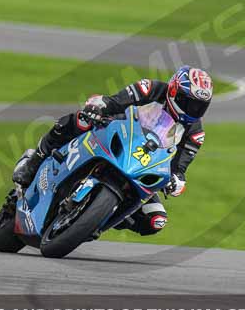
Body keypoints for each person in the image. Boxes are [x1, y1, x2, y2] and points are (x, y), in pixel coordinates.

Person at [11, 65, 213, 237]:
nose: (192, 110)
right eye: (188, 102)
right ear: (173, 91)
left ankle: (101, 217)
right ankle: (35, 160)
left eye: (199, 106)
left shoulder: (195, 134)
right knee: (81, 119)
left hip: (141, 166)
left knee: (156, 220)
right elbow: (116, 101)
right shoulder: (150, 89)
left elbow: (179, 167)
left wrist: (176, 181)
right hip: (116, 133)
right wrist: (99, 107)